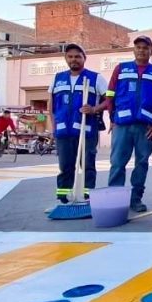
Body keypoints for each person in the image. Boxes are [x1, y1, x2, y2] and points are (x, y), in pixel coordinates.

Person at [104, 36, 152, 212]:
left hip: (145, 127)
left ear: (151, 51)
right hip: (122, 124)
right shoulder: (121, 69)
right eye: (138, 47)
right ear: (133, 50)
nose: (141, 50)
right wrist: (113, 118)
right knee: (117, 163)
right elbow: (110, 94)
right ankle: (115, 200)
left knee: (142, 163)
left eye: (145, 48)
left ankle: (135, 199)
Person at [46, 44, 106, 209]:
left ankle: (88, 197)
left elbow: (109, 99)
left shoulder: (95, 78)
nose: (74, 59)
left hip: (86, 130)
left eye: (78, 56)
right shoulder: (57, 78)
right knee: (65, 166)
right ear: (66, 59)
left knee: (87, 165)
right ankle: (64, 199)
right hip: (63, 130)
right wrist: (53, 126)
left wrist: (94, 109)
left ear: (84, 58)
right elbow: (51, 104)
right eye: (70, 56)